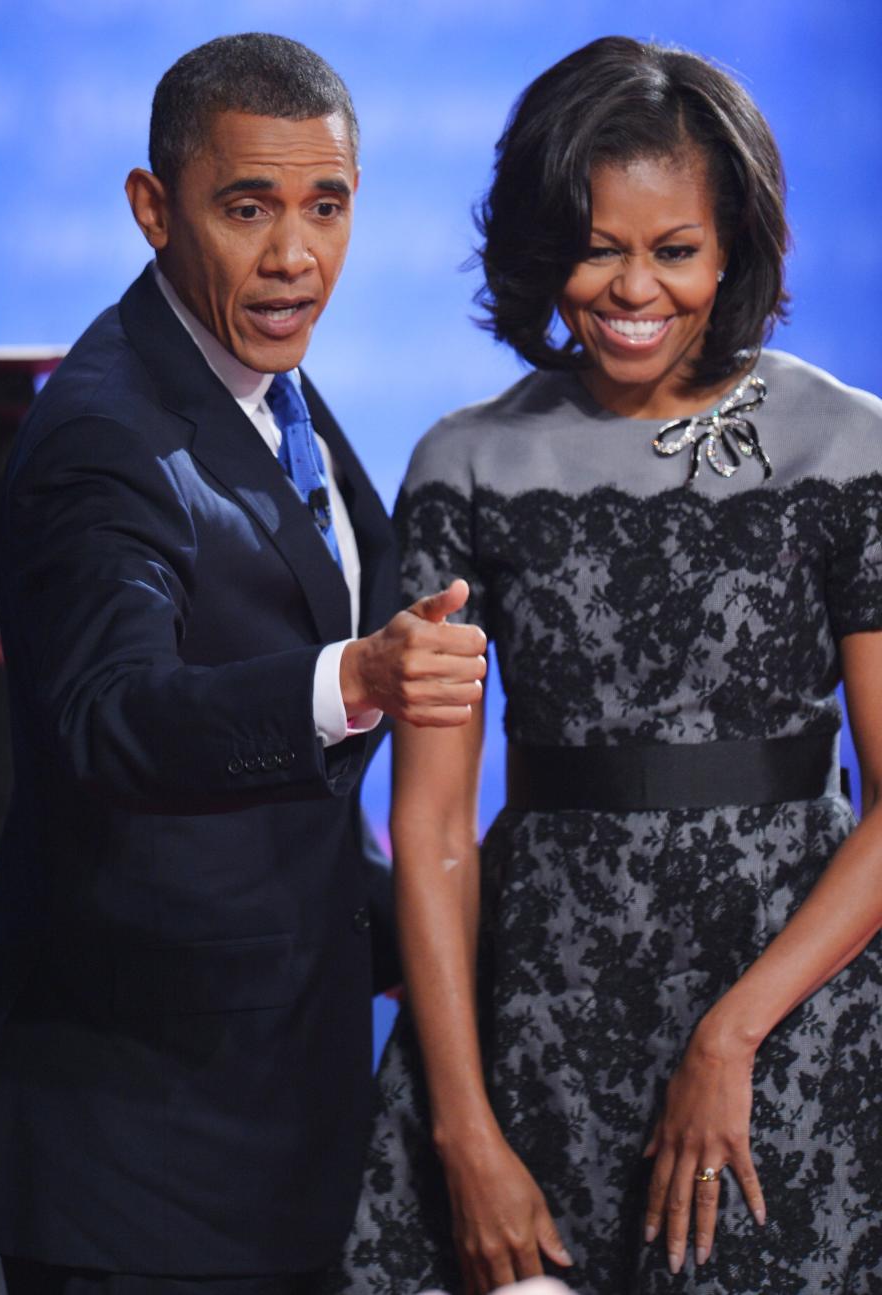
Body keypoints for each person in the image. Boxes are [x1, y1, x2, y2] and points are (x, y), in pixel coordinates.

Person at [331, 34, 882, 1295]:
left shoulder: (850, 450)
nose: (634, 287)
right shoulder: (466, 465)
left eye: (674, 250)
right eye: (596, 246)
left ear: (734, 246)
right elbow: (434, 833)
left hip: (790, 1017)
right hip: (538, 1022)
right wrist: (464, 1129)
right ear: (542, 244)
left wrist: (731, 1037)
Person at [0, 33, 486, 1295]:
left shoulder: (256, 375)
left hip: (263, 1114)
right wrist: (350, 680)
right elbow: (109, 717)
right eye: (248, 208)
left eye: (327, 206)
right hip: (138, 1148)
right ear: (153, 208)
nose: (295, 253)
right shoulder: (103, 432)